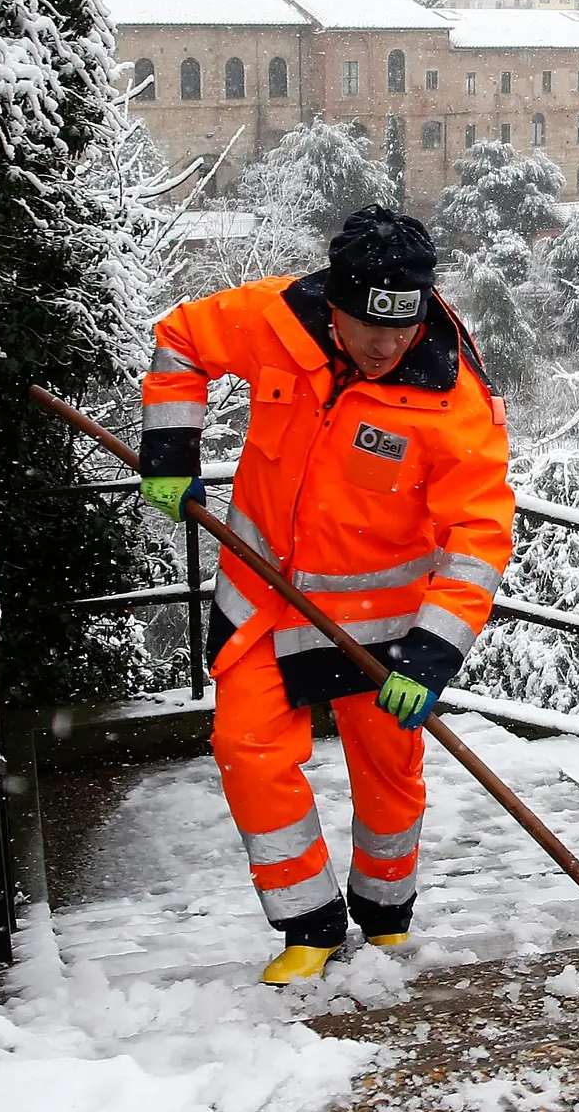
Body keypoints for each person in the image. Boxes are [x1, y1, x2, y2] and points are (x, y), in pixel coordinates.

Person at [135, 204, 515, 986]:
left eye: (402, 330)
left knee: (388, 773)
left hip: (383, 628)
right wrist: (171, 445)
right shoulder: (276, 319)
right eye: (367, 327)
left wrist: (435, 652)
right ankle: (307, 924)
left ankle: (384, 918)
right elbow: (181, 336)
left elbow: (479, 537)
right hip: (262, 601)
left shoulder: (454, 403)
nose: (386, 346)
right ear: (331, 304)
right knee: (245, 751)